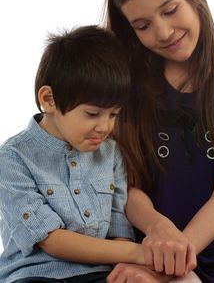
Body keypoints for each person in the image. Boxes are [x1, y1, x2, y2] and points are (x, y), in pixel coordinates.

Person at [102, 0, 214, 283]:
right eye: (143, 26)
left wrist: (171, 263)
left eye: (170, 10)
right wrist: (158, 229)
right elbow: (127, 185)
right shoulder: (127, 89)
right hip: (153, 256)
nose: (163, 32)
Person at [0, 25, 149, 283]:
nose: (105, 127)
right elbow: (52, 240)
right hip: (35, 275)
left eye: (113, 114)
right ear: (49, 99)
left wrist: (130, 264)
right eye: (93, 114)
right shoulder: (12, 159)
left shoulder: (111, 154)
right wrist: (140, 253)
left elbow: (119, 229)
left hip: (100, 274)